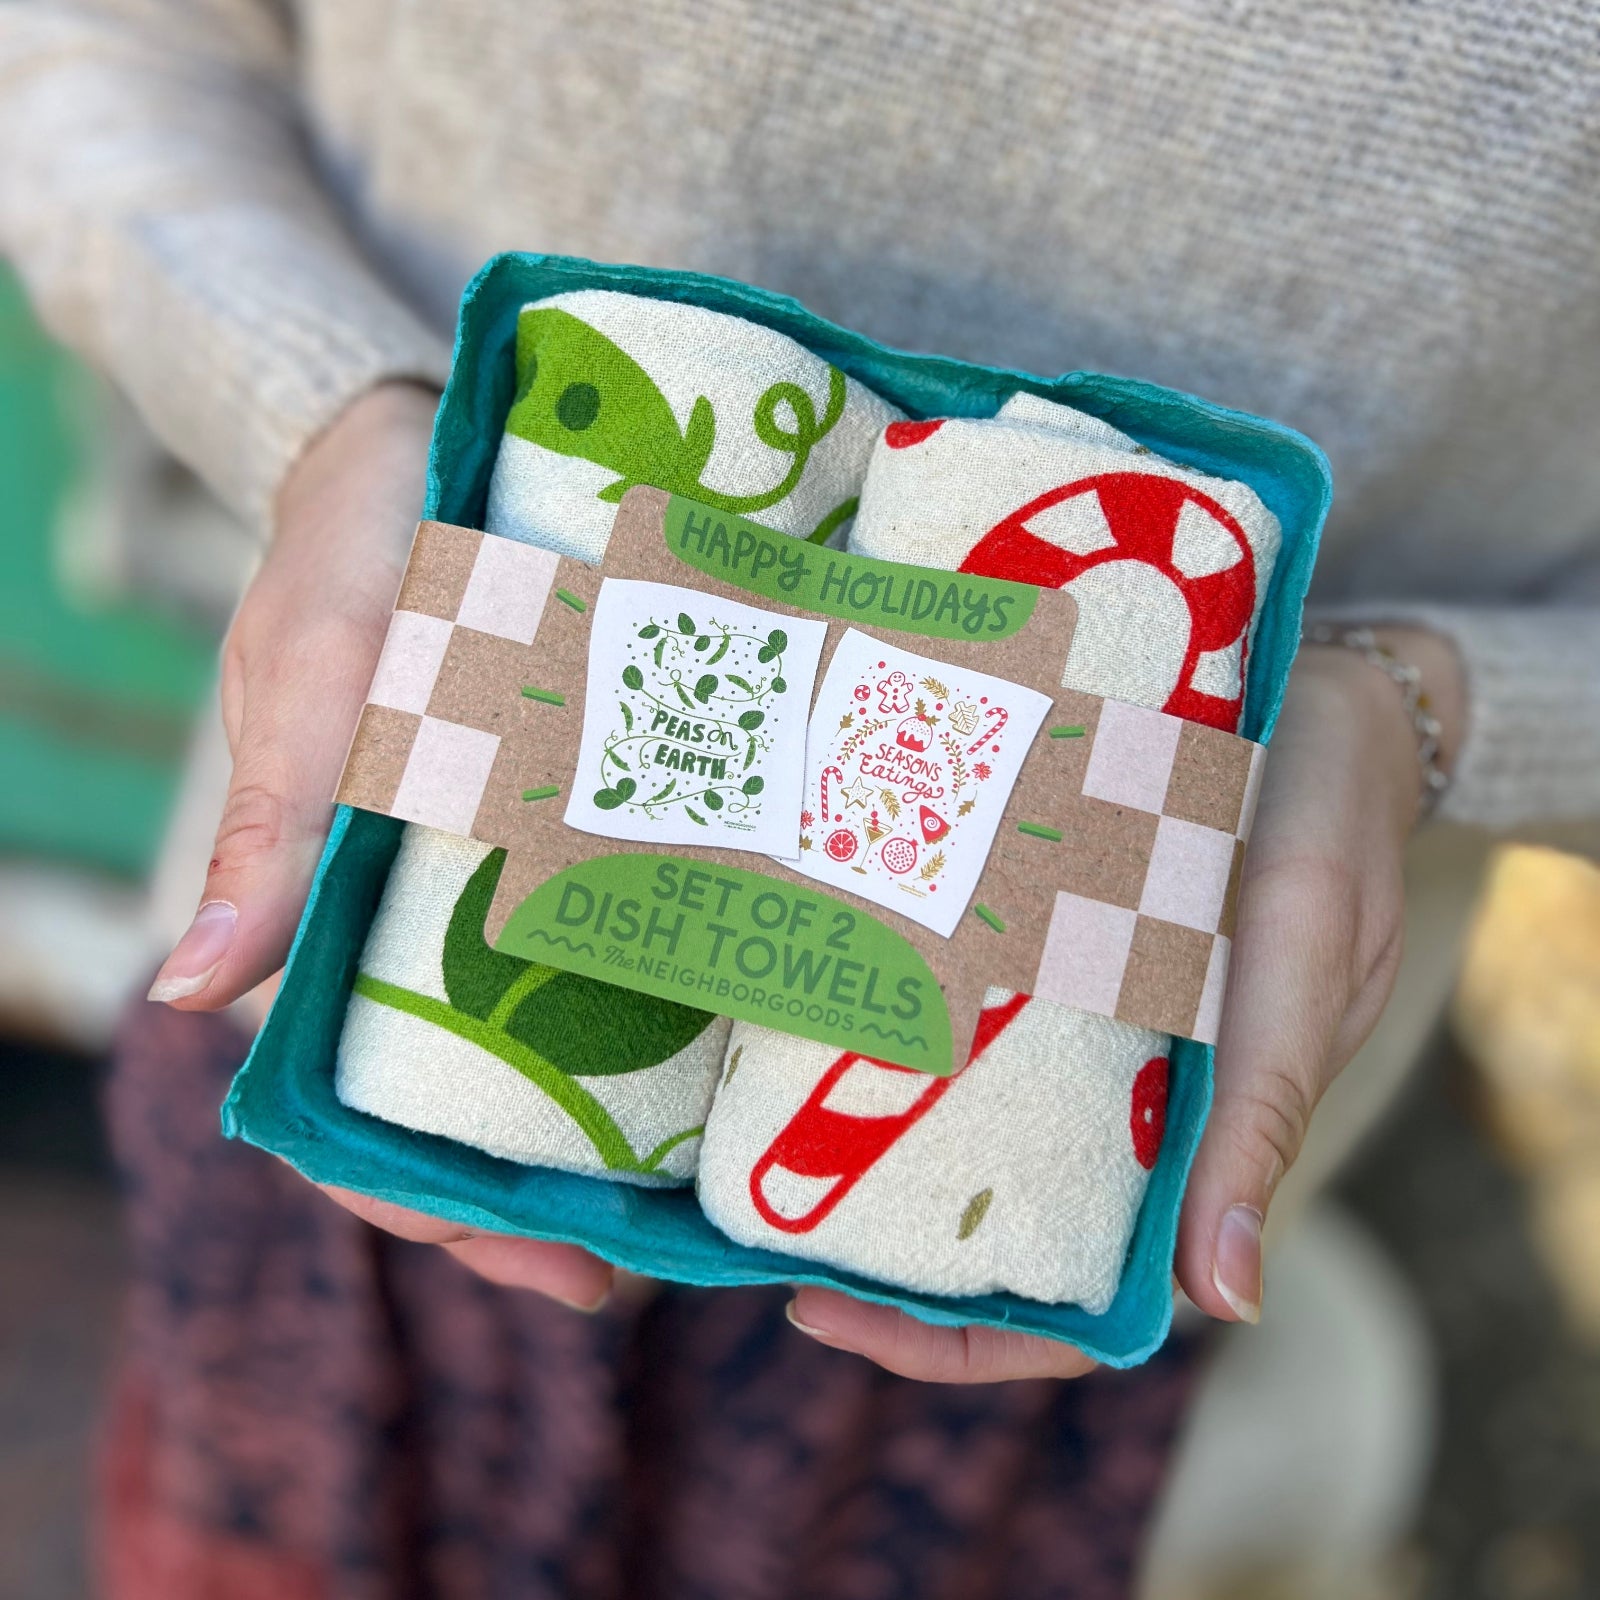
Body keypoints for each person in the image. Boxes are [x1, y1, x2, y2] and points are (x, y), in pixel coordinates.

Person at [2, 3, 1597, 1594]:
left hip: (1045, 1205)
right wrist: (331, 418)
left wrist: (1425, 705)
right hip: (364, 980)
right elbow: (98, 46)